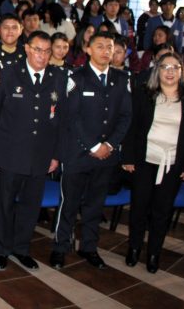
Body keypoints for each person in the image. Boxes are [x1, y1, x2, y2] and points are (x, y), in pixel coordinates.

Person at [50, 31, 132, 270]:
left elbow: (126, 116)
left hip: (107, 156)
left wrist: (109, 145)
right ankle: (60, 246)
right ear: (88, 49)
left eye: (110, 46)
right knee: (69, 204)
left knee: (95, 205)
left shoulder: (121, 78)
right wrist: (94, 146)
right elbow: (72, 117)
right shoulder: (76, 77)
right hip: (77, 154)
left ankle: (89, 247)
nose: (106, 51)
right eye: (100, 46)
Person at [0, 31, 67, 271]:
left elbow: (62, 120)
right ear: (27, 49)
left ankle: (21, 248)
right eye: (37, 49)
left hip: (41, 154)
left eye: (46, 50)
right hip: (10, 150)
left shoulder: (58, 77)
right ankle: (1, 250)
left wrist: (56, 154)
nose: (42, 55)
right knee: (5, 203)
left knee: (31, 205)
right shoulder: (7, 72)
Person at [121, 52, 184, 273]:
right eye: (165, 67)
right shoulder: (143, 95)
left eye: (175, 67)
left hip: (173, 165)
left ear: (182, 71)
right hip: (144, 160)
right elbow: (131, 128)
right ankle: (134, 248)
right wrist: (128, 157)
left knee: (162, 211)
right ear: (156, 70)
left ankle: (154, 253)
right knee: (139, 207)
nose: (170, 71)